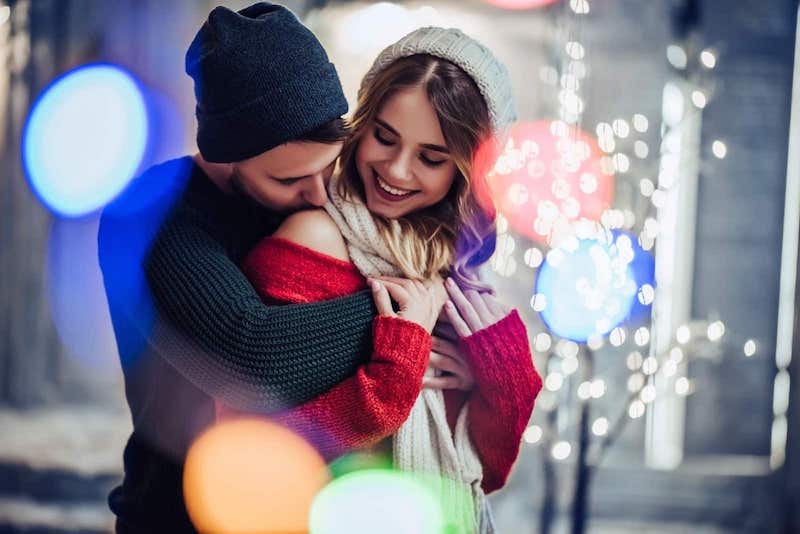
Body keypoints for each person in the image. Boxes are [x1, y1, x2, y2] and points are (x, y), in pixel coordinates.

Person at [98, 4, 442, 532]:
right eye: (289, 181)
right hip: (177, 515)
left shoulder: (312, 196)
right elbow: (254, 356)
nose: (319, 194)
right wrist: (413, 315)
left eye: (328, 167)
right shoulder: (146, 215)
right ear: (223, 155)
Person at [234, 27, 543, 533]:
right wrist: (401, 357)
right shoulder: (312, 240)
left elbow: (483, 474)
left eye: (432, 157)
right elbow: (263, 443)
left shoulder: (446, 262)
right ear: (362, 123)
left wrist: (505, 379)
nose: (396, 171)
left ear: (465, 172)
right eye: (384, 136)